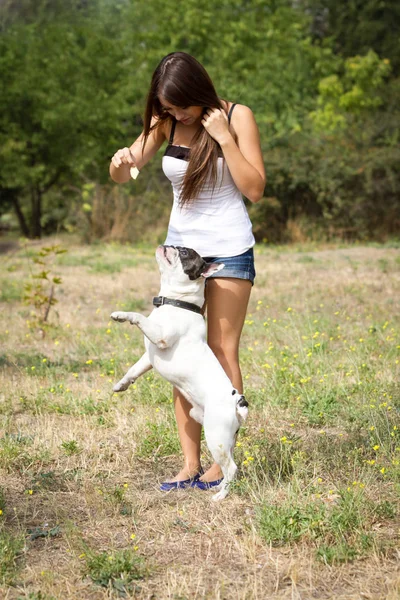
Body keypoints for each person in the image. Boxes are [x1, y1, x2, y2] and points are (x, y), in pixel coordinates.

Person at [110, 51, 265, 491]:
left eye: (180, 105)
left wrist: (226, 139)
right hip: (181, 256)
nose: (174, 113)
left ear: (200, 92)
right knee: (179, 353)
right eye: (167, 106)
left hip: (231, 250)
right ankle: (189, 464)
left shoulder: (237, 117)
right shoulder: (167, 122)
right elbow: (124, 171)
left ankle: (221, 463)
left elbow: (254, 188)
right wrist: (121, 162)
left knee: (219, 349)